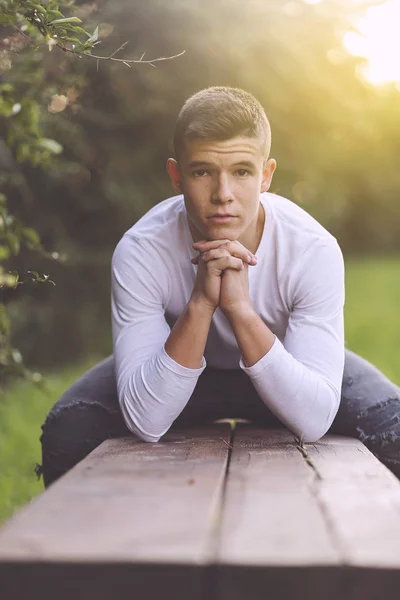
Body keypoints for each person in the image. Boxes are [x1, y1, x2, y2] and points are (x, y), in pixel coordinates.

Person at [38, 86, 400, 488]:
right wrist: (201, 304)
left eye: (242, 171)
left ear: (266, 176)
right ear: (177, 176)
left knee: (395, 427)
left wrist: (241, 310)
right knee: (68, 429)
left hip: (285, 361)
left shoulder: (312, 249)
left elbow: (313, 419)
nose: (223, 195)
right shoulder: (141, 250)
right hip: (180, 367)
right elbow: (147, 420)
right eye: (202, 171)